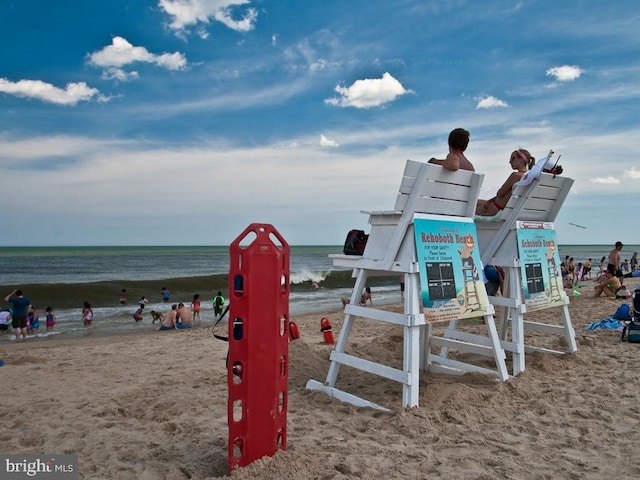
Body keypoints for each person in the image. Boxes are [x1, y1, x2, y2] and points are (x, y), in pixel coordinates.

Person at [476, 149, 535, 216]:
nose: (510, 161)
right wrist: (489, 201)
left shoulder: (515, 175)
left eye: (513, 158)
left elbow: (500, 194)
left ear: (521, 160)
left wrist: (497, 193)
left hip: (495, 210)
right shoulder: (528, 177)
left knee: (471, 203)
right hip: (501, 209)